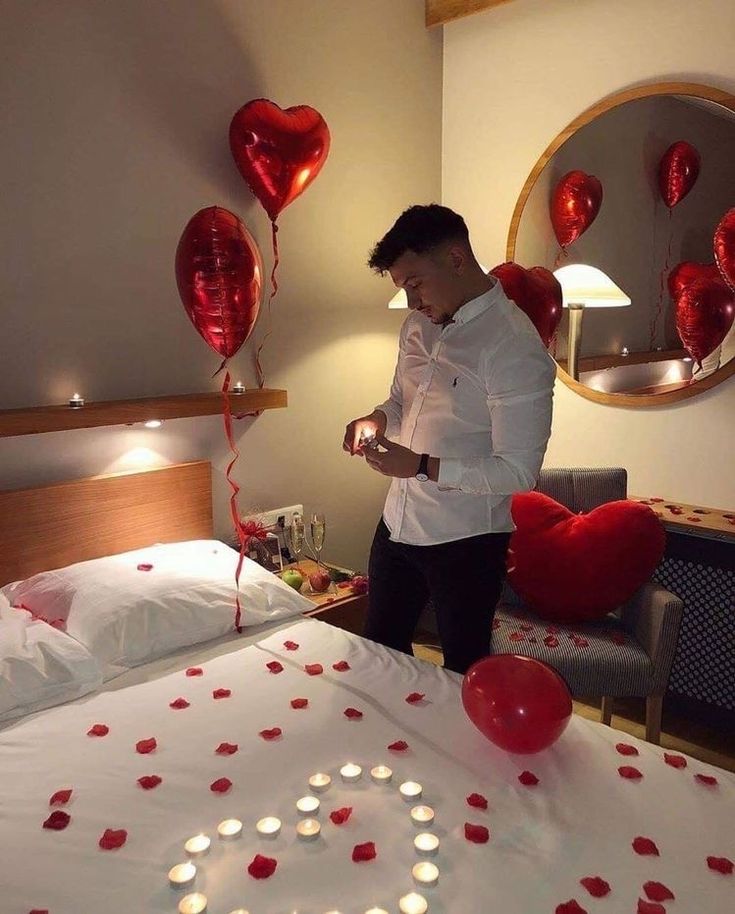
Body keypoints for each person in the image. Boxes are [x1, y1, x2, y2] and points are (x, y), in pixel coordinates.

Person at [343, 204, 556, 674]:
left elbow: (519, 472)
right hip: (398, 525)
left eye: (415, 284)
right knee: (379, 655)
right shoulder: (416, 327)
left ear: (457, 259)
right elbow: (400, 400)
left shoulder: (514, 347)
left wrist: (421, 466)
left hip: (467, 540)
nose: (412, 301)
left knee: (465, 673)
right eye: (403, 289)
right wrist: (376, 419)